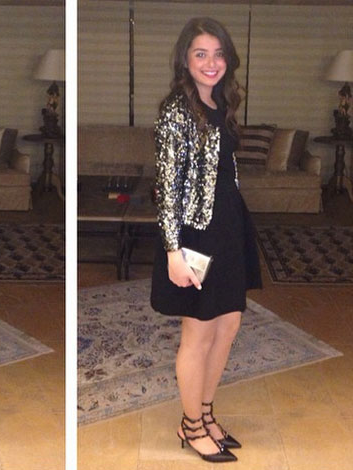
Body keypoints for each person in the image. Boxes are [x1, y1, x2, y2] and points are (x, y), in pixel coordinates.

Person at [150, 17, 262, 463]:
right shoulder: (176, 111)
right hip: (195, 235)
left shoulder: (221, 103)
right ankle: (191, 424)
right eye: (201, 54)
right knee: (197, 333)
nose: (211, 62)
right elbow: (166, 187)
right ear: (185, 59)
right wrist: (172, 251)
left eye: (218, 54)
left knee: (228, 325)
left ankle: (207, 412)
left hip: (229, 226)